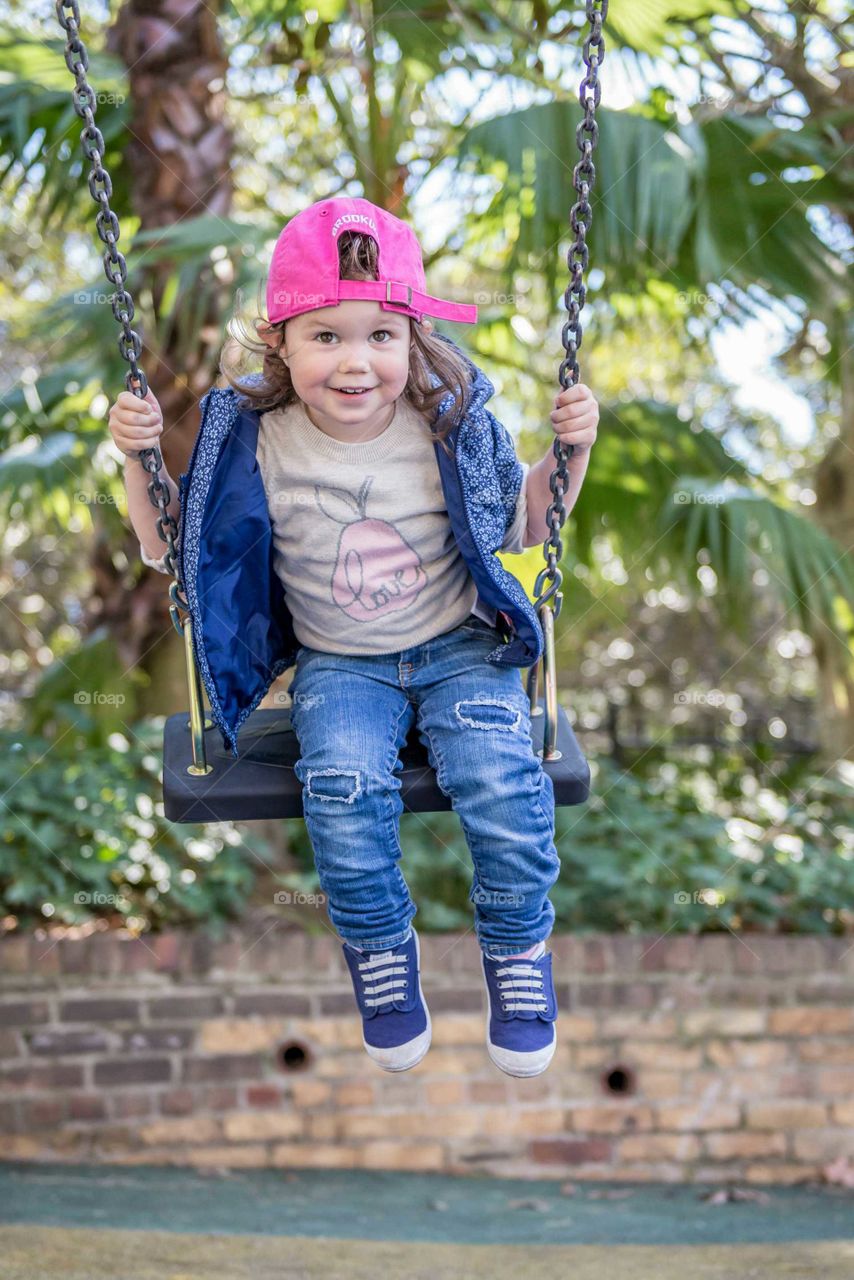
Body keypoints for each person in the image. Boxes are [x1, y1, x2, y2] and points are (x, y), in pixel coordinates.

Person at [109, 197, 598, 1079]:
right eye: (324, 336)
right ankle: (380, 954)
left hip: (461, 649)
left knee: (498, 777)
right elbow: (177, 549)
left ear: (411, 340)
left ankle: (518, 956)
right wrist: (137, 463)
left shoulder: (451, 422)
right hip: (340, 664)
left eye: (380, 335)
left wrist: (573, 452)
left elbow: (527, 525)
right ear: (281, 345)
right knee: (340, 784)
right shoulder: (252, 439)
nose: (355, 360)